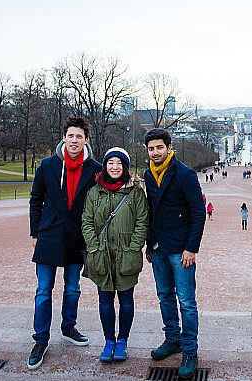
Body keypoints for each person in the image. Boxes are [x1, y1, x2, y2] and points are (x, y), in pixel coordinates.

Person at [27, 117, 101, 370]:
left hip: (76, 236)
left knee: (72, 289)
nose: (74, 141)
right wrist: (35, 231)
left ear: (85, 140)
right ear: (64, 138)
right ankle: (41, 339)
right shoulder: (48, 165)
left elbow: (109, 190)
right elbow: (36, 199)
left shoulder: (94, 169)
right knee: (43, 291)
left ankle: (68, 327)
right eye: (71, 136)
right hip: (49, 235)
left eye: (79, 136)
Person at [143, 128, 206, 380]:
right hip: (158, 247)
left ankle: (190, 351)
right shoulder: (149, 174)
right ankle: (172, 339)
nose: (155, 152)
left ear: (169, 148)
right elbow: (150, 211)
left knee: (187, 302)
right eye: (151, 148)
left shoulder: (185, 174)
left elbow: (198, 213)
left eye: (159, 147)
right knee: (164, 297)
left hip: (181, 250)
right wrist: (150, 243)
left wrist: (191, 248)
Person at [82, 147, 149, 363]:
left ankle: (122, 340)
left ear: (125, 166)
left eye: (119, 163)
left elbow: (142, 222)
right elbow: (87, 222)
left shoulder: (135, 192)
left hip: (126, 254)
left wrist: (133, 247)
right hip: (101, 254)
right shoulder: (94, 192)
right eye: (111, 163)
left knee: (127, 300)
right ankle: (109, 340)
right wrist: (94, 247)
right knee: (105, 300)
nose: (115, 167)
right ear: (105, 165)